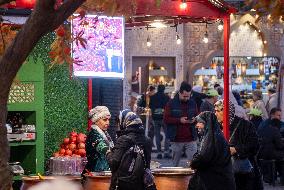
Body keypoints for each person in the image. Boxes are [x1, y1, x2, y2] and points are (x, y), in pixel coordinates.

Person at [214, 100, 263, 190]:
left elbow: (254, 145)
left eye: (218, 111)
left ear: (227, 111)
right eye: (215, 110)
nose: (215, 114)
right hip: (222, 173)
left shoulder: (245, 125)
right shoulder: (216, 127)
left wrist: (236, 150)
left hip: (242, 174)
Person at [106, 109, 154, 190]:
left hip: (123, 185)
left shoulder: (124, 139)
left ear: (125, 122)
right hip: (141, 185)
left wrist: (108, 153)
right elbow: (147, 165)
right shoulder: (147, 140)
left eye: (119, 122)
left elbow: (113, 162)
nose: (118, 125)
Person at [188, 111, 236, 190]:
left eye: (200, 122)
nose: (197, 125)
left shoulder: (212, 139)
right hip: (220, 181)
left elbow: (204, 157)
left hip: (215, 182)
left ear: (207, 124)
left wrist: (194, 163)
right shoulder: (215, 136)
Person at [164, 81, 198, 167]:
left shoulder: (192, 103)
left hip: (191, 138)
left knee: (194, 164)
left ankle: (194, 180)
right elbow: (166, 119)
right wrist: (179, 120)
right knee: (175, 165)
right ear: (180, 93)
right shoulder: (171, 103)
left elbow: (197, 115)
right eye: (185, 96)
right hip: (176, 139)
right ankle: (175, 180)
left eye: (188, 96)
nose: (187, 98)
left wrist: (195, 119)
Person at [82, 106, 114, 184]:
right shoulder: (94, 135)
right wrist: (111, 154)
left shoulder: (104, 134)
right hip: (95, 175)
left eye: (108, 120)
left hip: (103, 174)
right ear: (96, 120)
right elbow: (102, 147)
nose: (108, 122)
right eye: (104, 120)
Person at [257, 108, 284, 184]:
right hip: (270, 153)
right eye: (278, 115)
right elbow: (279, 145)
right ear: (272, 115)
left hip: (261, 152)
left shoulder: (262, 124)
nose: (280, 117)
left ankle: (271, 176)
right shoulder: (275, 127)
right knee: (281, 155)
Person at [149, 84, 171, 159]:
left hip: (155, 119)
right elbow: (169, 108)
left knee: (157, 135)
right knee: (167, 135)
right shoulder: (167, 97)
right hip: (165, 119)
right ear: (164, 89)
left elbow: (150, 107)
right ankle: (166, 152)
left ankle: (159, 153)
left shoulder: (152, 97)